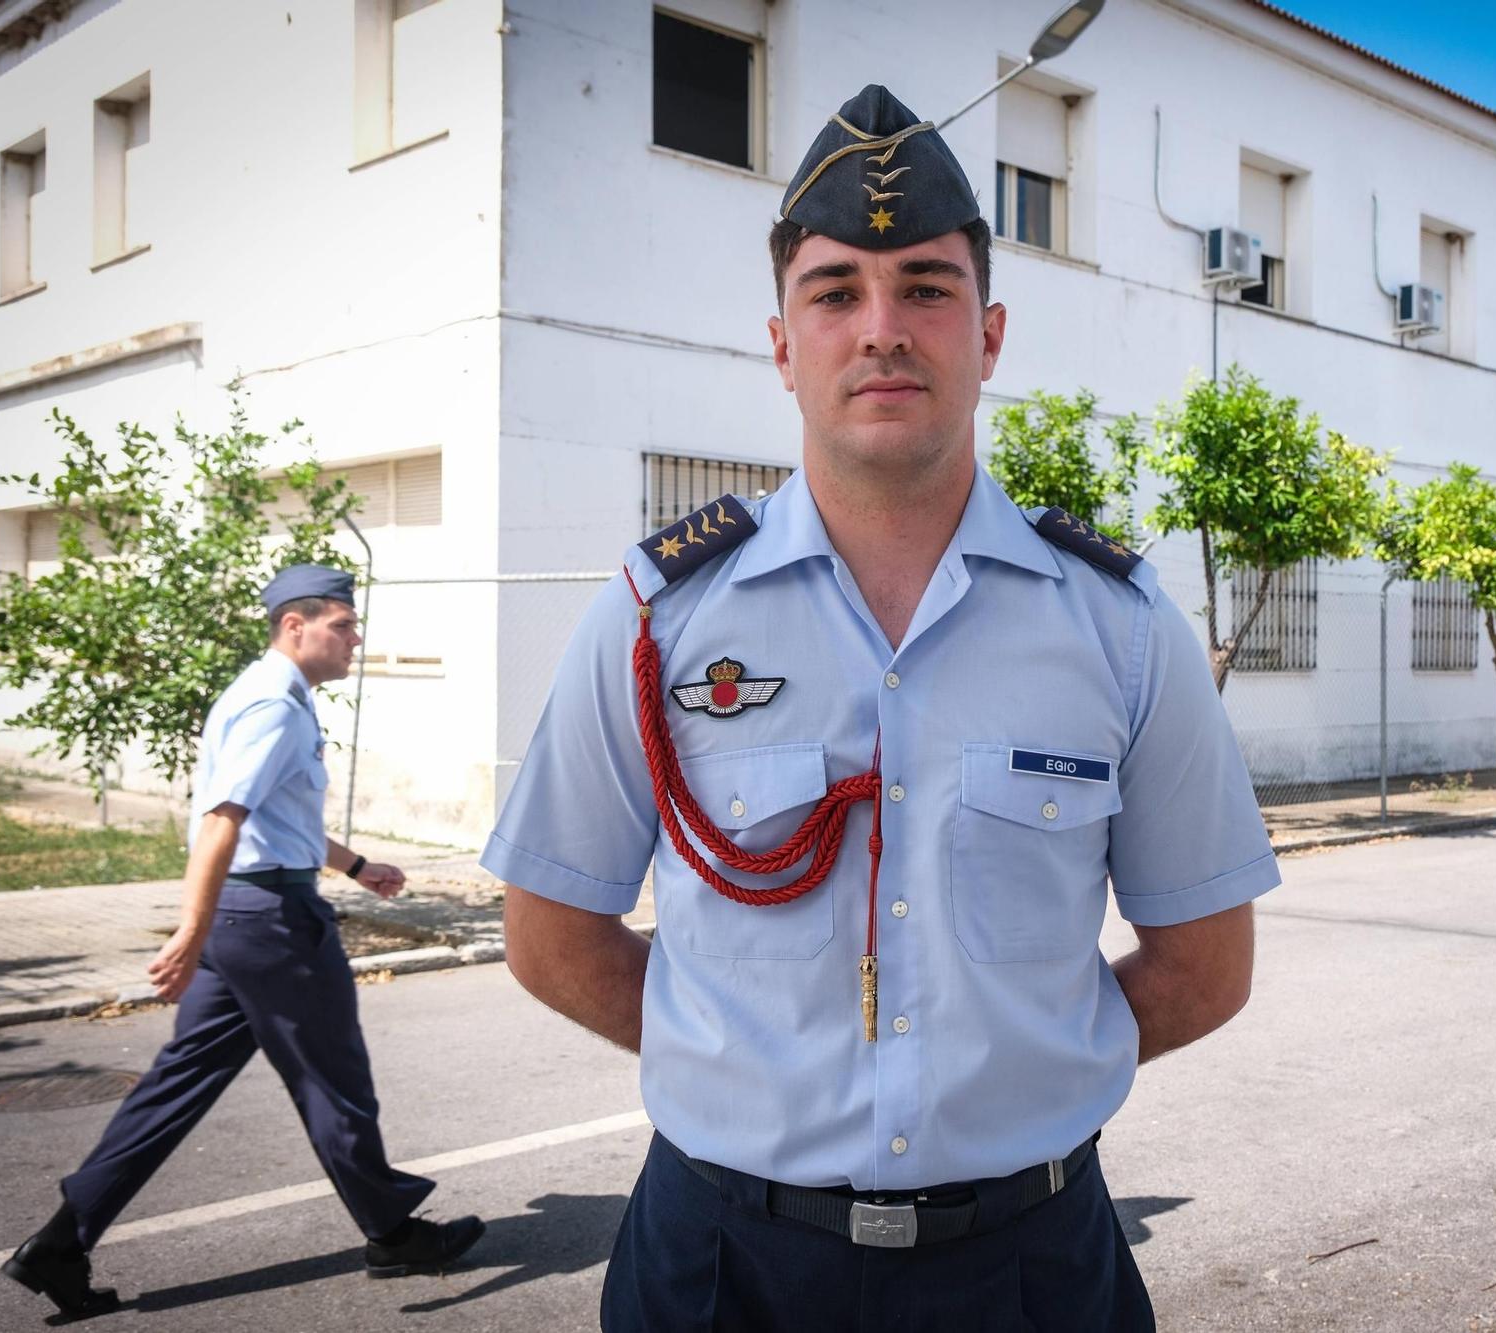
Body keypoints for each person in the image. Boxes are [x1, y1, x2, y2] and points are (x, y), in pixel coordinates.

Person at [486, 85, 1279, 1332]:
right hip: (720, 1267)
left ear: (989, 331)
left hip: (1030, 1267)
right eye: (835, 291)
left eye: (924, 286)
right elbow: (549, 931)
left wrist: (1022, 1067)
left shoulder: (1119, 627)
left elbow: (1203, 963)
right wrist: (739, 1070)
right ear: (781, 340)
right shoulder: (658, 618)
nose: (881, 329)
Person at [2, 564, 484, 1320]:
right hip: (269, 921)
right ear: (296, 625)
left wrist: (354, 864)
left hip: (247, 914)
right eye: (344, 624)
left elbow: (270, 815)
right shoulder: (274, 706)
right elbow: (223, 820)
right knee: (335, 1080)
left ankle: (60, 1242)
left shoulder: (266, 695)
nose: (357, 638)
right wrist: (189, 931)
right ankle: (393, 1233)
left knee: (178, 1083)